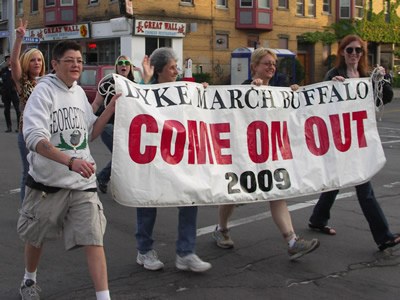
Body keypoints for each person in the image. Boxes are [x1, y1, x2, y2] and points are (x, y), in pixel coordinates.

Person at [17, 40, 119, 300]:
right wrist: (71, 162)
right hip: (47, 184)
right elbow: (35, 139)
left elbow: (89, 134)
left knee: (94, 238)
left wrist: (110, 107)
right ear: (55, 64)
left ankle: (103, 296)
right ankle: (29, 279)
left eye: (80, 60)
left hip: (82, 184)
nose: (76, 65)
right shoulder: (42, 92)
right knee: (36, 237)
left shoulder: (77, 93)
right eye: (70, 60)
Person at [213, 47, 320, 260]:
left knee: (277, 192)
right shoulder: (244, 88)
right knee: (233, 194)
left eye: (273, 64)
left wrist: (294, 95)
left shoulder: (279, 91)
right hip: (245, 153)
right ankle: (221, 228)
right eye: (266, 63)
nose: (271, 67)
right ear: (254, 67)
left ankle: (292, 241)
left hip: (269, 154)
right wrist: (252, 89)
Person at [308, 34, 400, 251]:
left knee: (336, 183)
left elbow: (384, 98)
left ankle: (318, 219)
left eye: (358, 50)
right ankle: (384, 236)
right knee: (363, 188)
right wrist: (332, 86)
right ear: (342, 52)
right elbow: (321, 103)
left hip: (359, 140)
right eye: (349, 50)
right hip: (340, 141)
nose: (354, 54)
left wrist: (383, 79)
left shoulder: (366, 76)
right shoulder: (334, 74)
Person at [135, 47, 211, 272]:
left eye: (177, 67)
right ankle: (144, 250)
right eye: (172, 67)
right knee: (148, 203)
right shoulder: (146, 91)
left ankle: (186, 253)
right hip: (153, 160)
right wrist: (145, 82)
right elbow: (135, 106)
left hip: (179, 158)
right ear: (159, 71)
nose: (176, 71)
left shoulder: (184, 91)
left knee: (190, 200)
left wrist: (202, 93)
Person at [93, 54, 149, 193]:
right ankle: (108, 179)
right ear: (116, 67)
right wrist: (86, 120)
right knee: (123, 156)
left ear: (130, 67)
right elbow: (96, 103)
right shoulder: (108, 83)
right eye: (120, 63)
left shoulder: (134, 85)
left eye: (126, 63)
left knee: (124, 156)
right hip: (109, 126)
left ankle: (103, 177)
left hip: (125, 127)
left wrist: (147, 75)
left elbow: (144, 96)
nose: (123, 65)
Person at [11, 19, 46, 202]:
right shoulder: (22, 82)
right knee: (29, 172)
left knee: (45, 172)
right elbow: (14, 64)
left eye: (39, 60)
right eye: (32, 60)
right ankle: (26, 209)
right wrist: (19, 39)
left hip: (46, 134)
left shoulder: (48, 82)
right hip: (26, 133)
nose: (36, 63)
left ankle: (42, 206)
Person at [1, 54, 21, 132]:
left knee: (18, 110)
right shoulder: (3, 70)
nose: (8, 61)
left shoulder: (16, 70)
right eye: (7, 60)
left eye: (10, 59)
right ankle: (9, 127)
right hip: (6, 93)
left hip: (14, 93)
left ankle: (19, 127)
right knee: (6, 110)